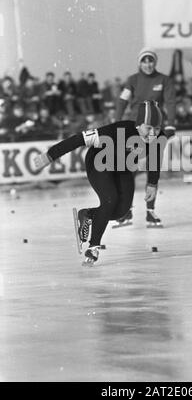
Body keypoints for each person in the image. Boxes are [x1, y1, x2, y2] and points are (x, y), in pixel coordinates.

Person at [33, 100, 166, 266]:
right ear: (138, 125)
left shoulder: (160, 138)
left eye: (157, 129)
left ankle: (87, 214)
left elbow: (155, 160)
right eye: (148, 128)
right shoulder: (117, 130)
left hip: (122, 166)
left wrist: (152, 184)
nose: (153, 133)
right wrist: (50, 155)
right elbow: (78, 139)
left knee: (121, 211)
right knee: (109, 200)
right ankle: (93, 247)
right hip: (98, 161)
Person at [115, 47, 176, 227]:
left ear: (155, 62)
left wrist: (171, 123)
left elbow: (171, 101)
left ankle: (150, 211)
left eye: (151, 61)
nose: (148, 64)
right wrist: (117, 122)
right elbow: (122, 101)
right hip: (135, 128)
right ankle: (126, 211)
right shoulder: (132, 80)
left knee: (153, 168)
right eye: (144, 61)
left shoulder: (164, 80)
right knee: (129, 169)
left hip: (155, 129)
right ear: (139, 63)